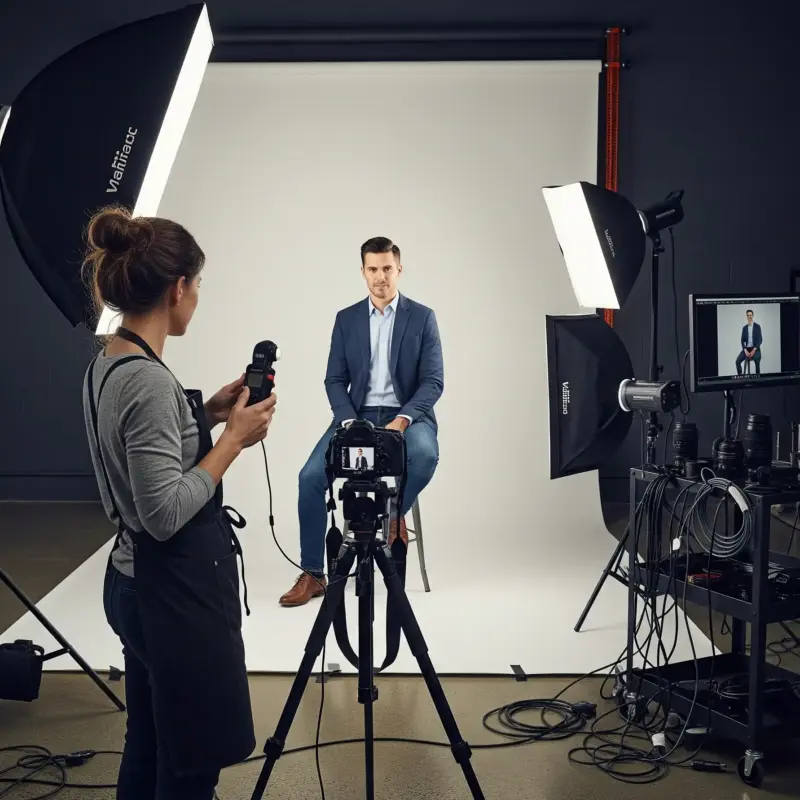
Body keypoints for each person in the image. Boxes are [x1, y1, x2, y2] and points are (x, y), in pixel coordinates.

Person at [81, 205, 277, 799]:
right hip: (169, 598)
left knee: (148, 742)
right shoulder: (146, 381)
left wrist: (206, 412)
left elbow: (143, 454)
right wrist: (232, 441)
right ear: (178, 287)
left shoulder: (110, 360)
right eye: (198, 285)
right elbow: (163, 512)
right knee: (190, 764)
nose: (198, 297)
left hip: (130, 585)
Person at [279, 236, 443, 607]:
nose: (380, 276)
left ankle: (395, 513)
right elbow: (334, 380)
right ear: (363, 272)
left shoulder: (422, 317)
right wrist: (349, 422)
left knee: (425, 455)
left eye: (387, 268)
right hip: (358, 415)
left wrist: (403, 420)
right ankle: (313, 574)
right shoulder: (346, 319)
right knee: (309, 478)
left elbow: (433, 381)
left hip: (408, 416)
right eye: (373, 269)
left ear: (399, 269)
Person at [736, 308, 762, 375]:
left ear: (753, 316)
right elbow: (742, 340)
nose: (749, 316)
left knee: (757, 359)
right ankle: (740, 377)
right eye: (748, 315)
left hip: (756, 349)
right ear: (746, 316)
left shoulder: (757, 326)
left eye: (750, 315)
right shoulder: (744, 328)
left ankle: (757, 377)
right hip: (747, 349)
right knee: (737, 361)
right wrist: (745, 350)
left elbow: (760, 339)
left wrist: (754, 350)